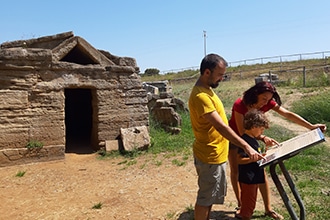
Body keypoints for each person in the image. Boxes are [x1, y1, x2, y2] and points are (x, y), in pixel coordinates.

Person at [228, 81, 327, 218]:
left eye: (269, 99)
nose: (266, 102)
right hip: (236, 137)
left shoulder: (267, 102)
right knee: (236, 171)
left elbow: (287, 114)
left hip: (253, 136)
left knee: (260, 171)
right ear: (256, 93)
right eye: (264, 99)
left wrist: (311, 126)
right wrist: (262, 138)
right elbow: (241, 132)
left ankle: (268, 209)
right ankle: (241, 205)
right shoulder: (240, 104)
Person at [188, 53, 264, 220]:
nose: (222, 78)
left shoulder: (207, 90)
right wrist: (246, 145)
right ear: (207, 72)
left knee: (209, 197)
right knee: (205, 199)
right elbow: (221, 126)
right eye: (220, 74)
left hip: (216, 154)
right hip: (210, 156)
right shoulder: (201, 96)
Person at [236, 109, 282, 220]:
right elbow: (239, 160)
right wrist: (251, 160)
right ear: (253, 127)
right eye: (261, 129)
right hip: (248, 178)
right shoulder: (245, 141)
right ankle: (244, 216)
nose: (262, 133)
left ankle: (243, 213)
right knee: (249, 202)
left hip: (255, 177)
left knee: (251, 200)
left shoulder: (253, 139)